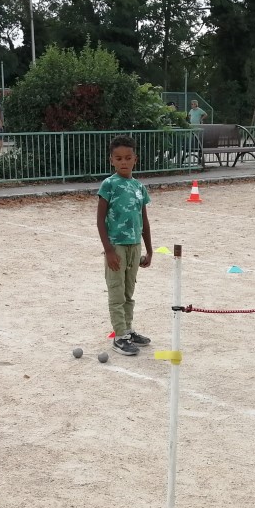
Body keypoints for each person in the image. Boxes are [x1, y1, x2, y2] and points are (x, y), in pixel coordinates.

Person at [96, 135, 153, 357]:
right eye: (119, 158)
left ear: (135, 159)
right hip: (116, 247)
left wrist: (149, 249)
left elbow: (144, 220)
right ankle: (119, 336)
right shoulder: (108, 185)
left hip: (134, 246)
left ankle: (128, 330)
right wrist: (109, 250)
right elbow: (100, 220)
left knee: (129, 291)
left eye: (128, 158)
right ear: (111, 160)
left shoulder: (139, 187)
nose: (123, 162)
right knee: (116, 291)